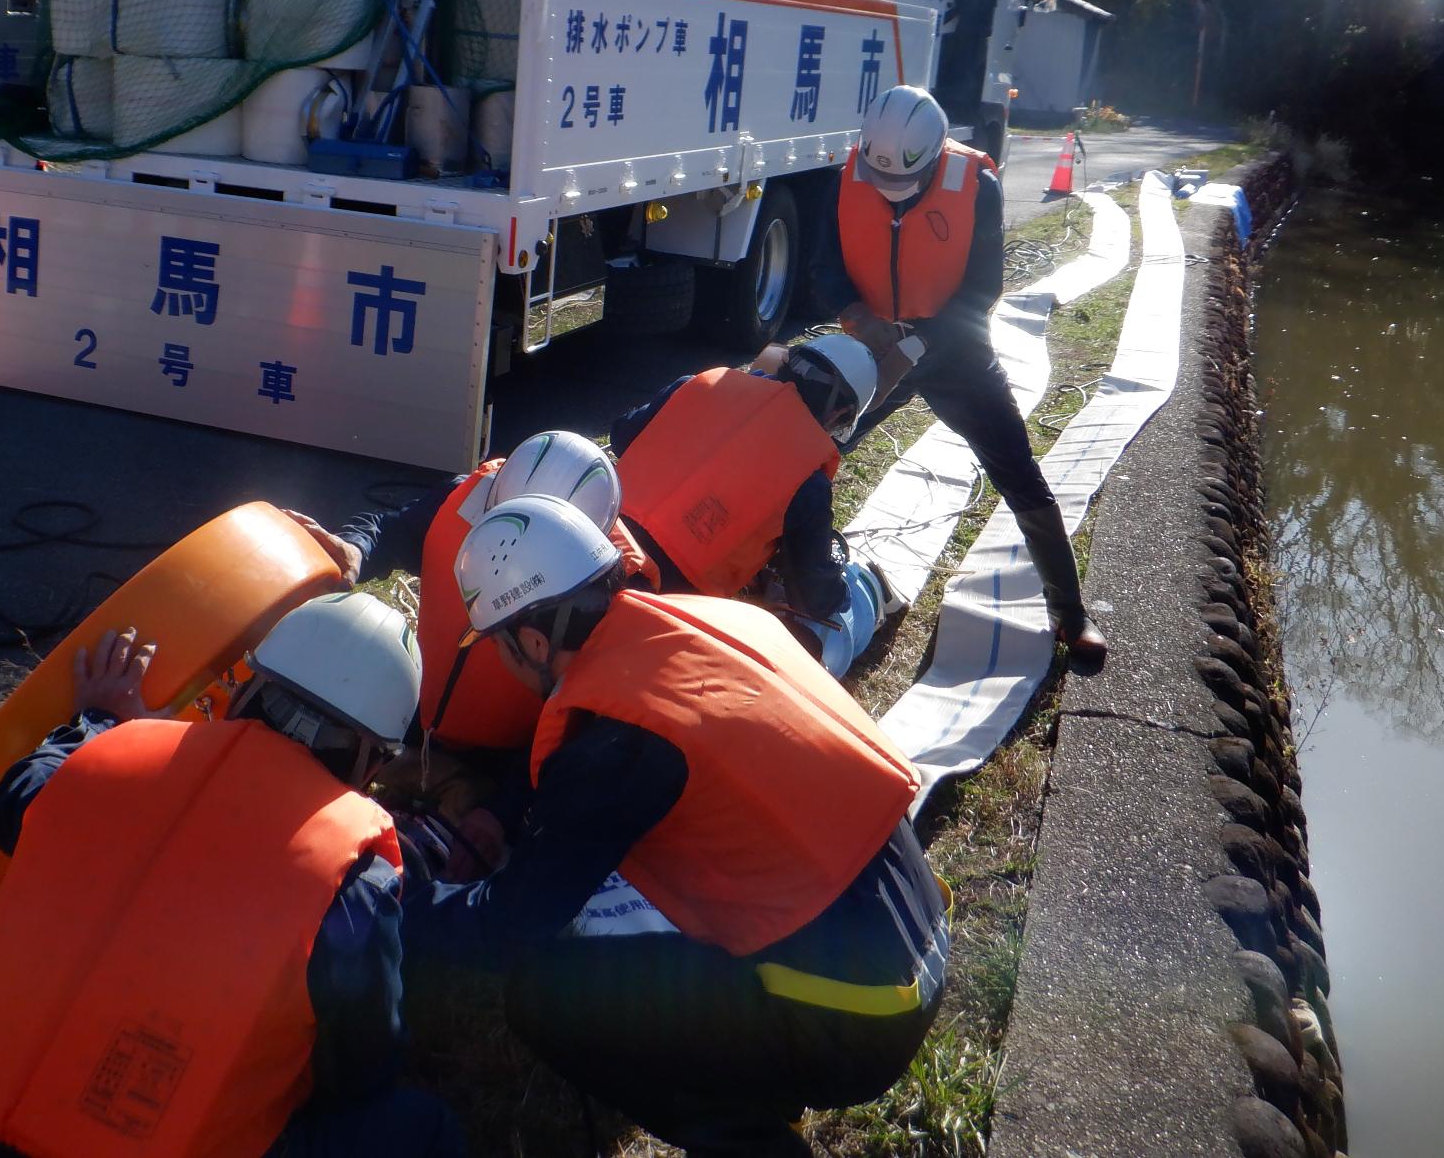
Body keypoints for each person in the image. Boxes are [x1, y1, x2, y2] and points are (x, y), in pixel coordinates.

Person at [405, 495, 950, 1157]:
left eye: (499, 648)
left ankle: (751, 1140)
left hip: (862, 1019)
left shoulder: (616, 745)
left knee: (546, 994)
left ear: (533, 640)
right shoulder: (707, 621)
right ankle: (760, 1074)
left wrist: (406, 906)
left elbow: (512, 923)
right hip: (915, 936)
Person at [0, 595, 462, 1158]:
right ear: (373, 764)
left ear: (248, 688)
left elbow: (14, 804)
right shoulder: (351, 879)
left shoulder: (106, 759)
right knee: (423, 1127)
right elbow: (363, 1065)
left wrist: (101, 720)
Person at [813, 83, 1109, 663]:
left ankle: (1071, 615)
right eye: (884, 185)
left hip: (956, 352)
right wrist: (858, 319)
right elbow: (824, 267)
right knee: (811, 450)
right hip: (873, 344)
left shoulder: (977, 186)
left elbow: (981, 291)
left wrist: (919, 346)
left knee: (1018, 471)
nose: (892, 197)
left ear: (936, 155)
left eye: (905, 186)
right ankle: (802, 573)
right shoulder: (851, 174)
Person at [288, 431, 654, 873]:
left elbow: (580, 724)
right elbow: (389, 528)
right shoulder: (474, 489)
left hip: (501, 762)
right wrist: (356, 549)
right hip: (410, 715)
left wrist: (501, 811)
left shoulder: (614, 588)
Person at [610, 335, 893, 677]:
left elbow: (623, 435)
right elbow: (814, 598)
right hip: (661, 604)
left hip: (597, 533)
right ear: (841, 413)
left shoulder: (703, 383)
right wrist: (842, 588)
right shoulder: (807, 482)